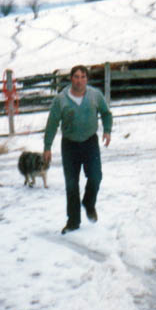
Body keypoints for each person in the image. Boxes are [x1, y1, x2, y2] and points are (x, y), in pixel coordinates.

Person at [43, 65, 112, 234]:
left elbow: (106, 113)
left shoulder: (95, 95)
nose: (79, 80)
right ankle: (73, 221)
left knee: (95, 176)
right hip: (70, 145)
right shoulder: (61, 99)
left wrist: (107, 130)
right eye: (76, 77)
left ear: (86, 79)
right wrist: (47, 147)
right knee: (72, 185)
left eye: (82, 77)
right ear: (71, 79)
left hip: (90, 142)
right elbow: (52, 123)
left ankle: (89, 203)